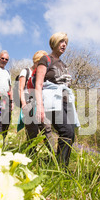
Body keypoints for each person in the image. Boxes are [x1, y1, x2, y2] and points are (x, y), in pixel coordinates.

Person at [34, 32, 79, 168]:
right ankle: (60, 168)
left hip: (66, 102)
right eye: (61, 41)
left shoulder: (63, 65)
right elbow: (38, 84)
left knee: (70, 134)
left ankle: (60, 166)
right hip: (53, 102)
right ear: (54, 43)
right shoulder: (46, 59)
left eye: (65, 42)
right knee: (66, 131)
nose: (64, 45)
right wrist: (40, 107)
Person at [19, 50, 55, 153]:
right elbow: (20, 88)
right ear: (35, 61)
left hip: (41, 104)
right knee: (32, 131)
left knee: (46, 129)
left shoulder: (44, 72)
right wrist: (23, 104)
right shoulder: (26, 71)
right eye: (40, 61)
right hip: (29, 103)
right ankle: (31, 154)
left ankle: (53, 156)